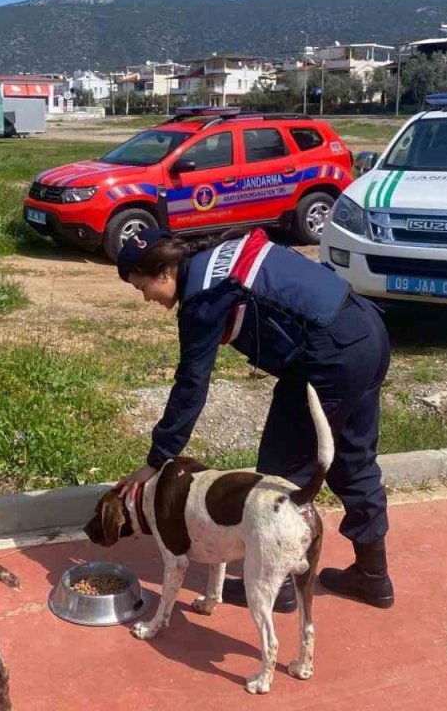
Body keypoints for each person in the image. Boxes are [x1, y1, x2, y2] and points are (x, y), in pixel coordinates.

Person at [114, 227, 393, 612]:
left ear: (163, 272)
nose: (147, 297)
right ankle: (373, 575)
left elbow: (190, 387)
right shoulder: (219, 252)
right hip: (367, 332)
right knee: (353, 458)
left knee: (280, 473)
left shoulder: (204, 299)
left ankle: (276, 587)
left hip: (329, 358)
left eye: (142, 287)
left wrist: (157, 460)